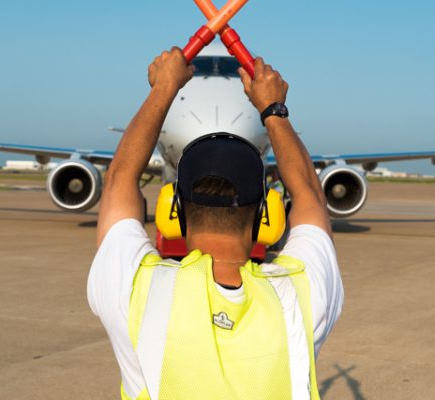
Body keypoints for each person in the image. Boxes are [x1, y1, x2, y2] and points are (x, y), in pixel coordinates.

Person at [88, 47, 343, 400]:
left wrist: (162, 89)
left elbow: (117, 180)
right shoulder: (302, 297)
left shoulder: (136, 293)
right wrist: (274, 111)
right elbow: (311, 195)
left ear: (172, 210)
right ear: (267, 214)